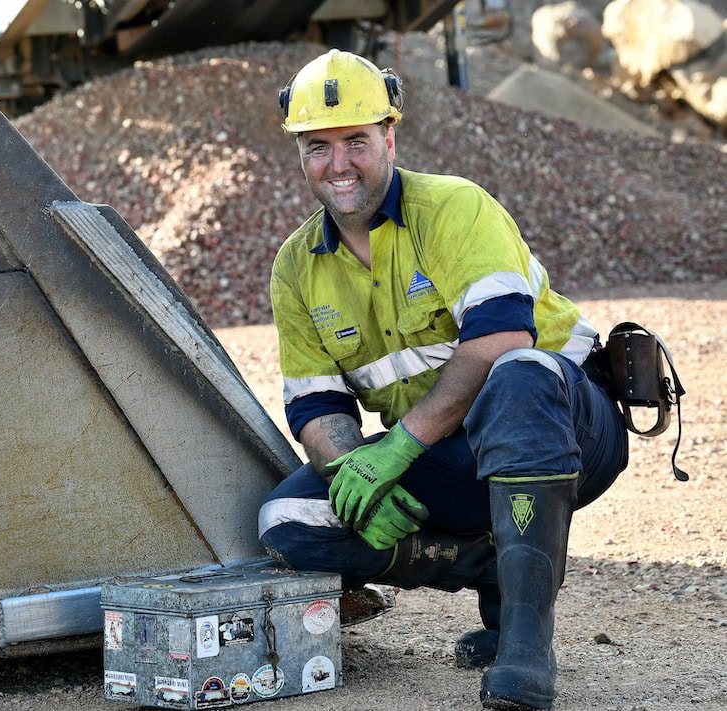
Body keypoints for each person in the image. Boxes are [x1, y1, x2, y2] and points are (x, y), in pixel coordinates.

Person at [258, 49, 629, 711]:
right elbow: (315, 401)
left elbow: (502, 338)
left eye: (356, 143)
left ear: (389, 139)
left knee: (517, 374)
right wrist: (354, 472)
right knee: (290, 518)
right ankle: (496, 565)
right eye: (318, 147)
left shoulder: (455, 209)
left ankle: (523, 640)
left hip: (566, 429)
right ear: (298, 153)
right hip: (452, 452)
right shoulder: (295, 269)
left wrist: (398, 447)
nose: (339, 165)